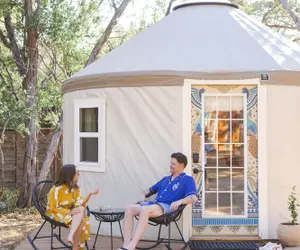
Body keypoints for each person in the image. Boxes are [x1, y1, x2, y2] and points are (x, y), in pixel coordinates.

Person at [119, 152, 198, 250]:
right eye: (170, 163)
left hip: (167, 207)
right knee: (129, 208)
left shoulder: (187, 179)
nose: (170, 165)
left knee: (145, 209)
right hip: (153, 205)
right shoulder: (165, 179)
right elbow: (147, 191)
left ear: (181, 165)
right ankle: (126, 245)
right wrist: (142, 195)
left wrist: (180, 201)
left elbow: (194, 198)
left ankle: (132, 246)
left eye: (173, 164)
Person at [46, 164, 99, 250]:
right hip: (57, 214)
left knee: (81, 209)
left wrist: (89, 194)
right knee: (81, 219)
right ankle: (75, 247)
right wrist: (69, 212)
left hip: (71, 213)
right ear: (70, 175)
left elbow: (79, 204)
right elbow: (53, 208)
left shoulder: (76, 188)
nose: (79, 174)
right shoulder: (56, 189)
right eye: (77, 172)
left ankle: (71, 237)